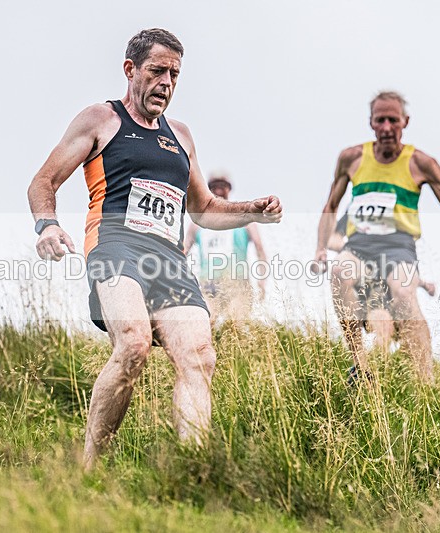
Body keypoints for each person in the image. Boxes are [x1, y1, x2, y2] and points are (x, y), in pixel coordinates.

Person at [27, 29, 282, 468]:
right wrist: (47, 226)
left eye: (175, 75)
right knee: (133, 344)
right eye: (158, 71)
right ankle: (90, 468)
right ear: (131, 70)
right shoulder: (100, 120)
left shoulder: (180, 135)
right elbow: (43, 182)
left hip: (168, 259)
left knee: (199, 355)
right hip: (115, 246)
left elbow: (204, 210)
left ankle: (192, 471)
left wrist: (252, 209)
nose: (167, 82)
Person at [312, 91, 440, 382]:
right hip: (360, 244)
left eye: (393, 120)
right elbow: (330, 206)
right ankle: (360, 365)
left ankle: (424, 376)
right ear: (371, 123)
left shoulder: (421, 163)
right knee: (339, 272)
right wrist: (320, 249)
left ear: (406, 121)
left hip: (399, 245)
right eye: (380, 120)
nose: (387, 127)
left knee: (402, 292)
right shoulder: (351, 159)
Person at [327, 210, 436, 361]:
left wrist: (423, 283)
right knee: (383, 324)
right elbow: (332, 239)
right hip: (371, 289)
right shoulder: (358, 207)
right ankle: (369, 369)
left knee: (406, 328)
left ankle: (404, 366)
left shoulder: (395, 211)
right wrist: (355, 248)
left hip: (393, 283)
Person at [184, 172, 268, 322]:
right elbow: (183, 251)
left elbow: (260, 249)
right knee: (205, 323)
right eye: (214, 187)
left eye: (222, 186)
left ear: (229, 189)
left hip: (237, 282)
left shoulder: (244, 218)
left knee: (237, 325)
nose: (218, 190)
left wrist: (262, 281)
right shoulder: (197, 222)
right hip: (207, 283)